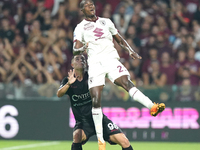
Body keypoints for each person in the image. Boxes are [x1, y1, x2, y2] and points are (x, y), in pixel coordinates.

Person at [73, 0, 165, 149]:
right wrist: (83, 46)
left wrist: (130, 50)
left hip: (111, 60)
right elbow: (75, 49)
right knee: (96, 100)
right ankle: (101, 141)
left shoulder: (106, 22)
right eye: (87, 6)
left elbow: (119, 38)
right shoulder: (80, 28)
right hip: (96, 64)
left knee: (127, 83)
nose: (91, 7)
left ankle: (152, 106)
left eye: (92, 4)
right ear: (82, 10)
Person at [57, 55, 134, 150]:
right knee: (77, 136)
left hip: (99, 119)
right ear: (72, 64)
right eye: (77, 59)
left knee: (124, 141)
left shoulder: (92, 76)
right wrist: (69, 84)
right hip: (83, 122)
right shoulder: (68, 80)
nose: (81, 60)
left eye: (83, 59)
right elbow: (59, 94)